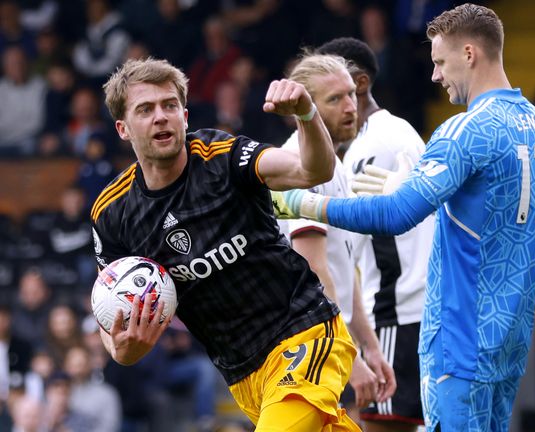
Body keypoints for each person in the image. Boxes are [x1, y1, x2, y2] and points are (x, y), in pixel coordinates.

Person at [275, 4, 535, 431]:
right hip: (510, 334)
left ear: (469, 54)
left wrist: (303, 204)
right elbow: (488, 212)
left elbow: (395, 215)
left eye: (440, 62)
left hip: (460, 336)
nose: (435, 76)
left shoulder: (463, 131)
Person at [90, 57, 359, 431]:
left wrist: (307, 114)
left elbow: (312, 170)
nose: (161, 116)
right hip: (242, 374)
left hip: (306, 332)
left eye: (170, 105)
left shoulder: (223, 157)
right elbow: (110, 319)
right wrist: (123, 349)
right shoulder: (113, 212)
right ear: (123, 128)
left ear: (184, 116)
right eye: (145, 109)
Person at [316, 36, 433, 432]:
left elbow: (348, 242)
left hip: (396, 309)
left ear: (360, 84)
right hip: (413, 306)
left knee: (384, 427)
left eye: (331, 89)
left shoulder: (375, 145)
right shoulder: (394, 132)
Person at [276, 52, 396, 421]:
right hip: (304, 346)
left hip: (328, 340)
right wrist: (350, 356)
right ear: (302, 110)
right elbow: (314, 269)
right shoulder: (297, 163)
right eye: (334, 99)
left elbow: (344, 269)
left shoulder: (335, 165)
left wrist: (370, 346)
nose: (351, 106)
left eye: (351, 94)